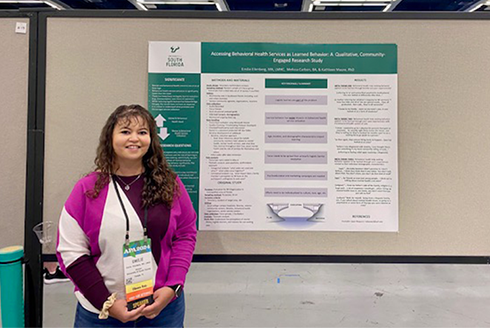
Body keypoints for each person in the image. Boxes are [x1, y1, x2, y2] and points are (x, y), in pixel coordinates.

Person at [56, 104, 197, 327]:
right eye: (125, 131)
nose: (135, 138)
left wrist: (173, 286)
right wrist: (107, 303)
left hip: (162, 309)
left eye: (142, 132)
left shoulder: (170, 184)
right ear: (110, 138)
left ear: (151, 140)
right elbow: (72, 253)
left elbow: (186, 234)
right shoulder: (86, 190)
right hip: (100, 313)